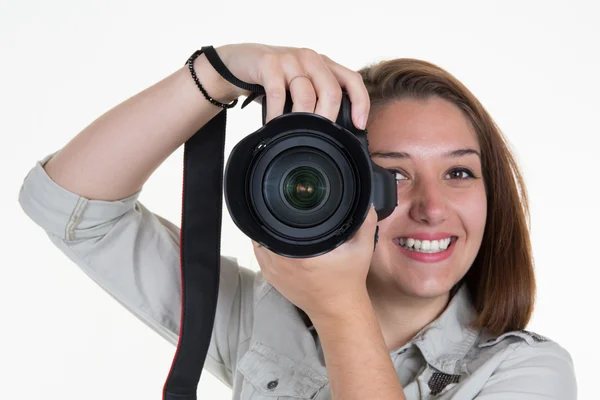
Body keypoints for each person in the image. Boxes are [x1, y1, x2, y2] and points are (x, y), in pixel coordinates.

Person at [18, 43, 577, 399]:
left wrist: (338, 307)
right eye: (395, 174)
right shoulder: (259, 318)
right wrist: (219, 73)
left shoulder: (529, 374)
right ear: (344, 193)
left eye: (459, 174)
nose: (433, 208)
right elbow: (71, 204)